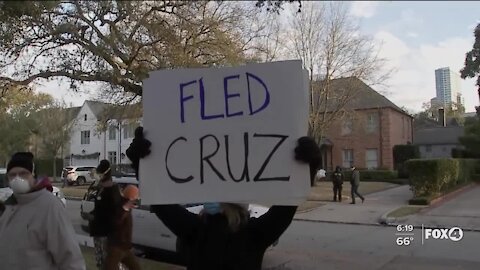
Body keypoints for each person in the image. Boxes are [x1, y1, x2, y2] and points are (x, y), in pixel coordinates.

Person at [126, 127, 321, 270]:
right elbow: (288, 204)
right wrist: (307, 167)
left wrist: (142, 165)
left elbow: (160, 202)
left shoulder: (194, 230)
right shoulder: (256, 234)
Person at [0, 152, 85, 270]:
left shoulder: (50, 206)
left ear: (33, 175)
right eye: (13, 175)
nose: (17, 178)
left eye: (23, 174)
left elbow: (69, 256)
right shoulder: (8, 208)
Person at [90, 160, 141, 270]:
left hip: (117, 243)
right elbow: (112, 216)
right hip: (116, 243)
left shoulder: (112, 193)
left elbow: (115, 219)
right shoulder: (104, 191)